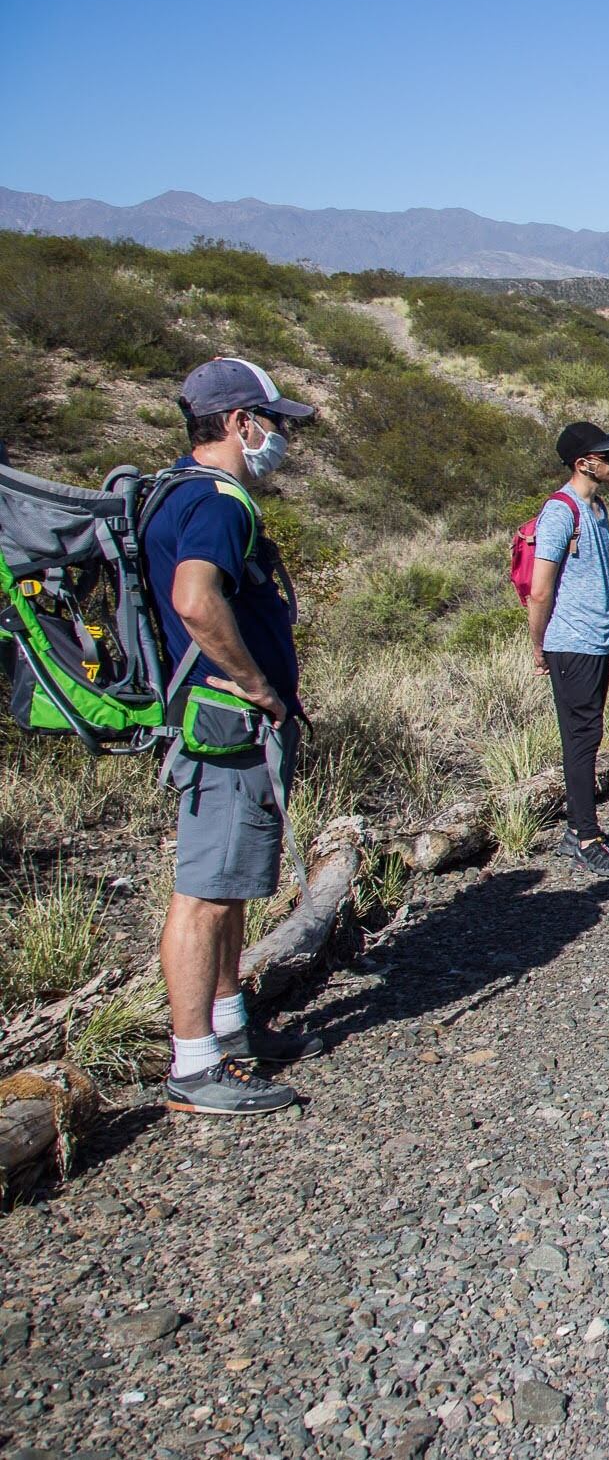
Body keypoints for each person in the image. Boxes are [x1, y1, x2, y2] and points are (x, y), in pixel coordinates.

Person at [146, 357, 326, 1115]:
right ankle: (194, 1065)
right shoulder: (220, 502)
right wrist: (254, 683)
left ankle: (228, 1028)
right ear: (236, 423)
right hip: (224, 719)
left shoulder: (175, 491)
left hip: (214, 716)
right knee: (205, 892)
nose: (280, 436)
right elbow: (195, 598)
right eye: (271, 421)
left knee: (230, 884)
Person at [529, 420, 609, 878]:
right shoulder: (560, 511)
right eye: (606, 456)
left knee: (589, 735)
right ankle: (583, 835)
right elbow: (540, 588)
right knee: (580, 738)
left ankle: (582, 826)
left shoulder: (598, 509)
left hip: (595, 639)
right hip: (571, 642)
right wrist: (539, 644)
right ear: (583, 463)